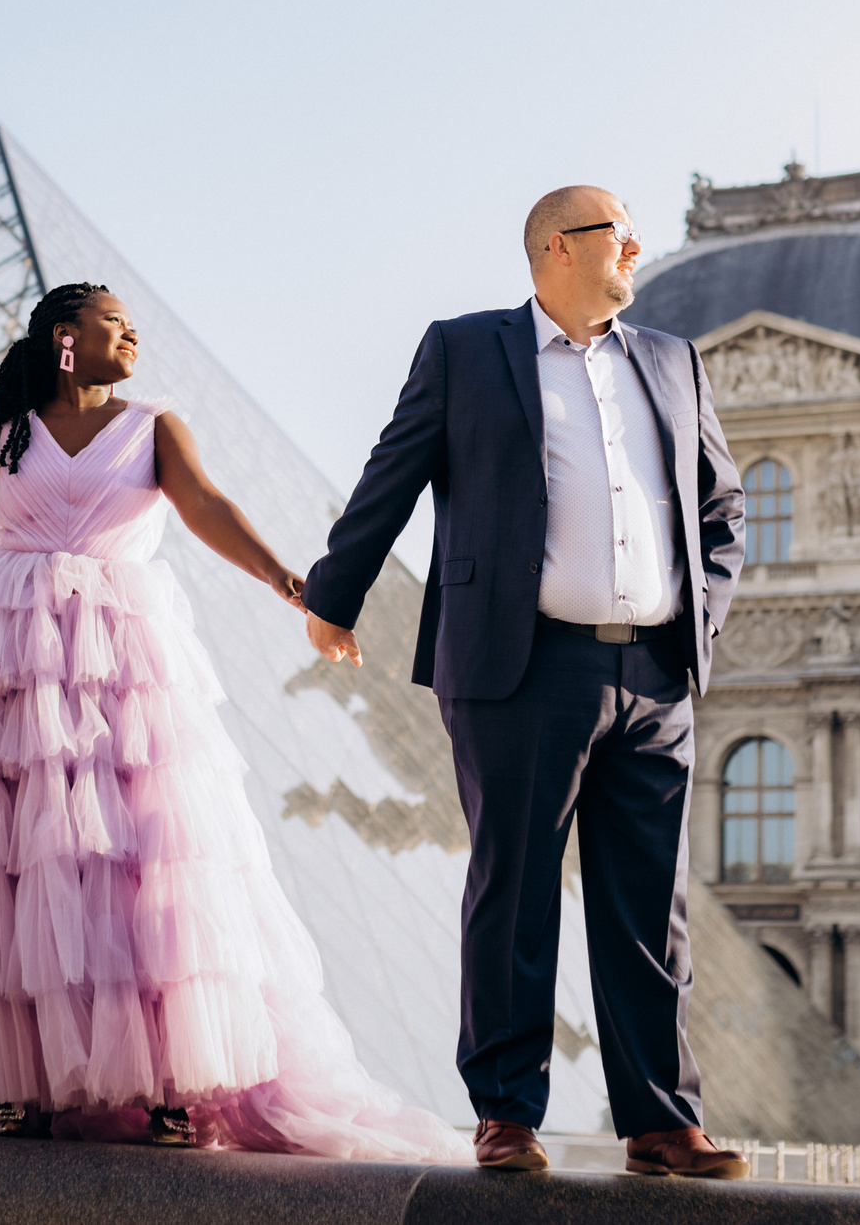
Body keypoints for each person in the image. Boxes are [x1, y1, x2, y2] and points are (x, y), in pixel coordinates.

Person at [0, 282, 462, 1159]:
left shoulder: (154, 424)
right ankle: (20, 1081)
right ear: (65, 336)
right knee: (12, 871)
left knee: (145, 856)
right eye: (117, 321)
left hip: (123, 661)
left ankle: (170, 1083)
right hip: (5, 664)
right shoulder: (6, 437)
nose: (133, 333)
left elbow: (209, 508)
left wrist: (291, 580)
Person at [303, 186, 749, 1178]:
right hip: (522, 660)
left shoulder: (673, 361)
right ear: (556, 247)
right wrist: (335, 592)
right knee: (514, 893)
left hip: (655, 669)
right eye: (614, 233)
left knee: (648, 908)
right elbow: (394, 469)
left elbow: (721, 506)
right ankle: (506, 1113)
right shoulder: (465, 350)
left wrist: (701, 614)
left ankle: (661, 1123)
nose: (634, 247)